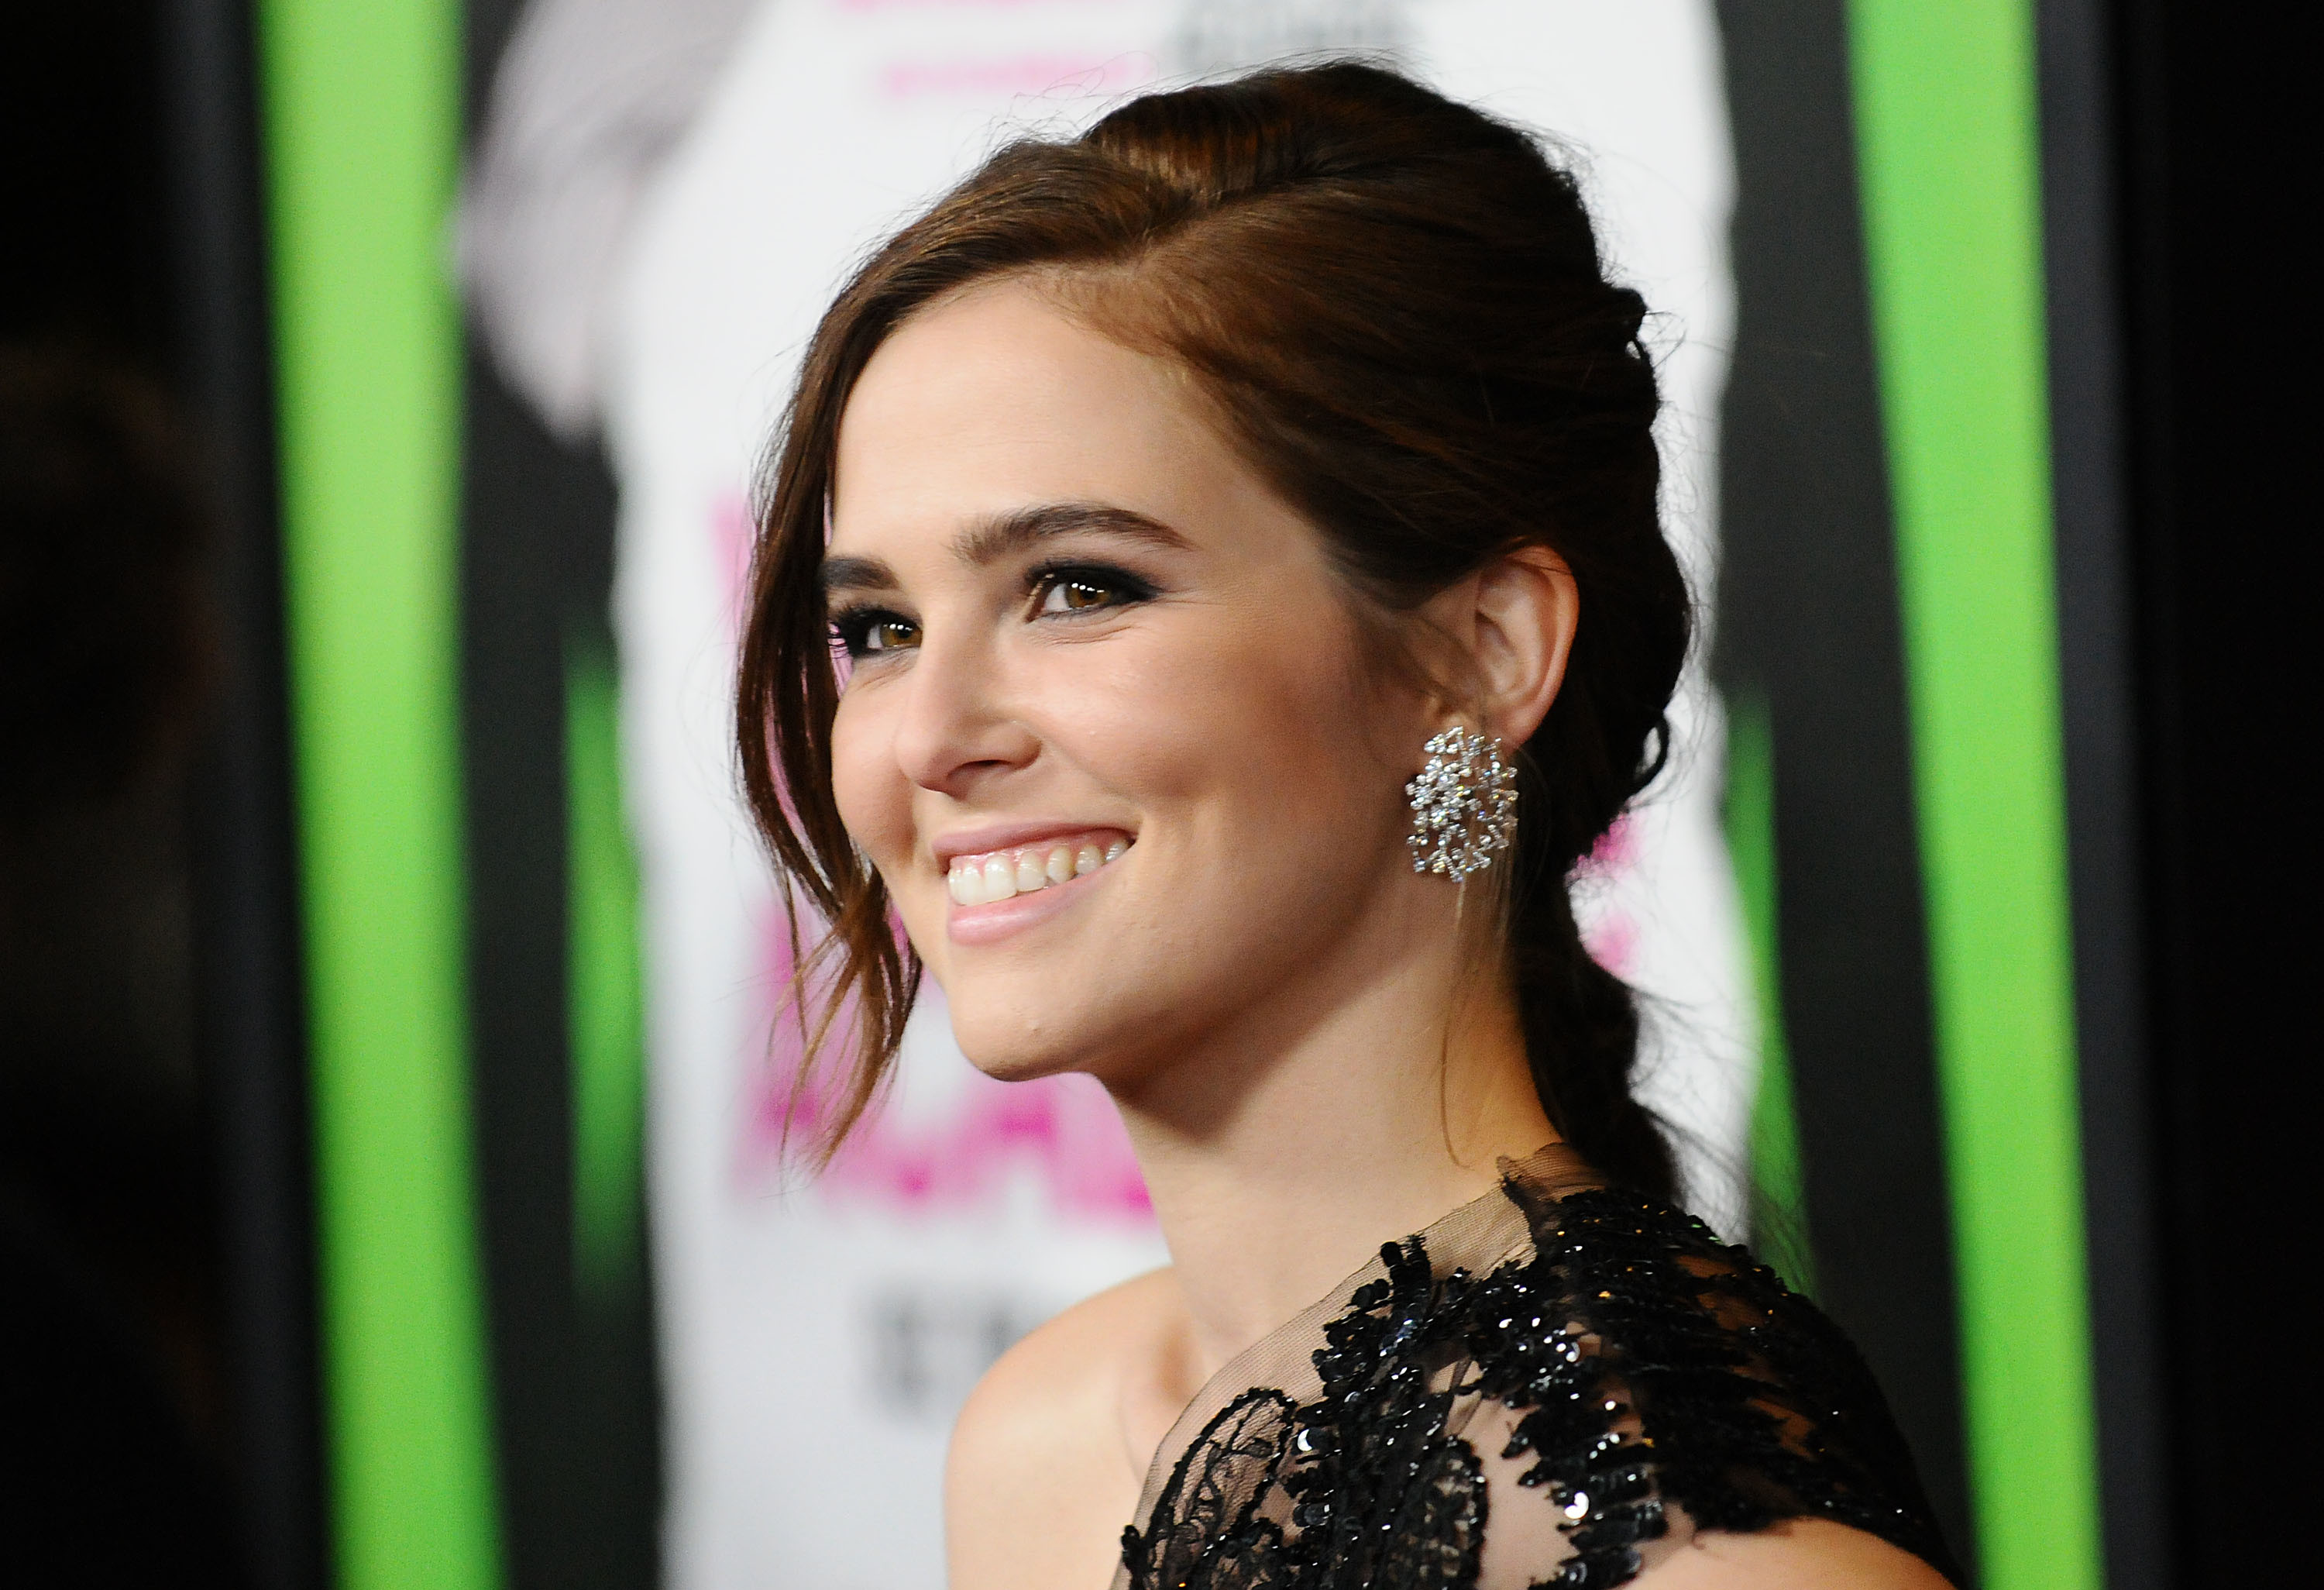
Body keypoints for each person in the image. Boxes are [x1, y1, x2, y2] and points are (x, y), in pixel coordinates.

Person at [736, 61, 1961, 1590]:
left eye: (1078, 588)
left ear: (1482, 652)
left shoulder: (1718, 1564)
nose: (927, 738)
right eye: (879, 629)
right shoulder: (1042, 1444)